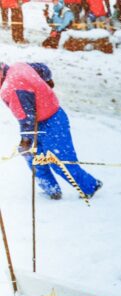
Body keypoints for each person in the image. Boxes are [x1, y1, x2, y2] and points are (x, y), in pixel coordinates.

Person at [0, 62, 102, 200]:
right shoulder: (19, 66)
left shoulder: (10, 87)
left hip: (51, 122)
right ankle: (52, 190)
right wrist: (47, 80)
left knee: (60, 161)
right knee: (34, 157)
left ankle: (89, 186)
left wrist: (25, 141)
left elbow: (27, 118)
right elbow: (42, 68)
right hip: (46, 119)